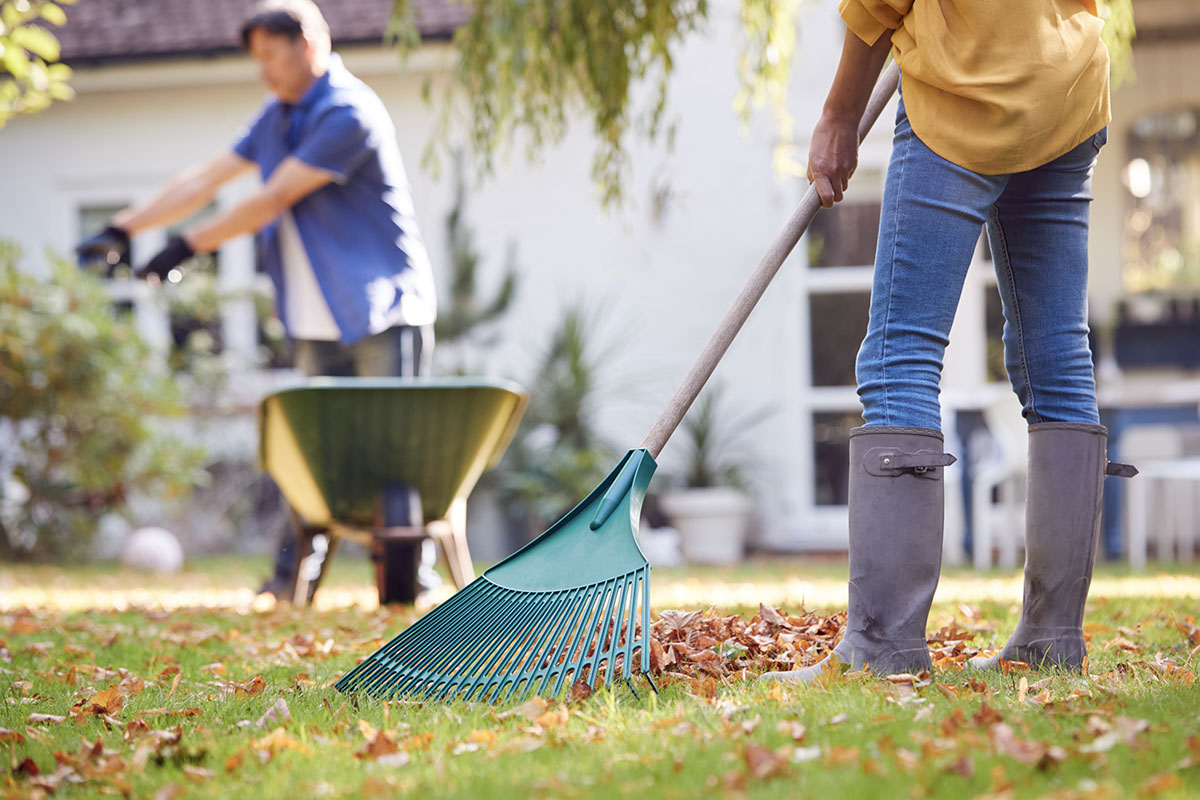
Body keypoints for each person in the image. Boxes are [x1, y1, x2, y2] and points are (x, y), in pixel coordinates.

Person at [763, 0, 1135, 683]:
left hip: (968, 93)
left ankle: (882, 647)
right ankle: (1052, 639)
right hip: (1068, 92)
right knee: (1057, 355)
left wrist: (839, 114)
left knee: (898, 356)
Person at [76, 0, 440, 603]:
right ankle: (288, 585)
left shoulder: (349, 111)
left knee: (388, 450)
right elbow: (207, 179)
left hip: (383, 310)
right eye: (257, 60)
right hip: (315, 318)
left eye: (272, 56)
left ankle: (408, 587)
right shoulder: (278, 117)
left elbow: (271, 199)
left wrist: (184, 246)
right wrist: (123, 227)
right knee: (312, 452)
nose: (264, 71)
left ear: (309, 43)